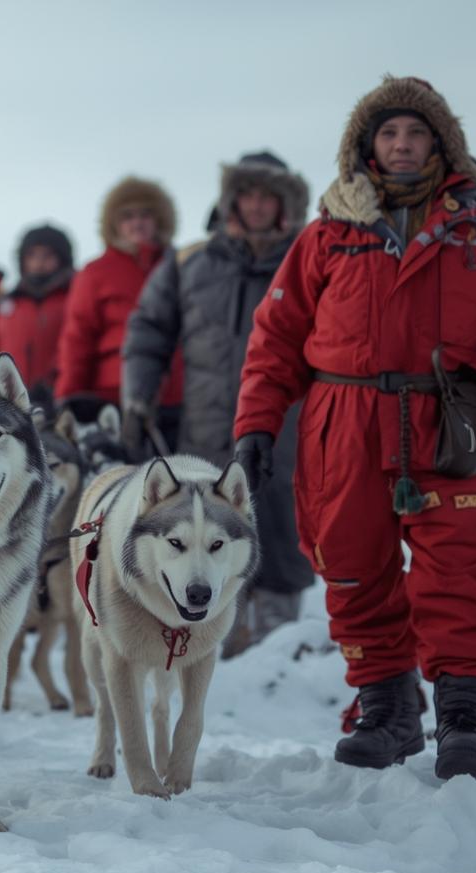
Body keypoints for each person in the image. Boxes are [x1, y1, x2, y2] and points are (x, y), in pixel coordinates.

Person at [231, 77, 476, 781]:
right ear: (366, 147)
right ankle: (387, 711)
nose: (403, 145)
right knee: (351, 568)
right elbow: (277, 337)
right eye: (389, 134)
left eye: (416, 134)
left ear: (440, 144)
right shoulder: (327, 233)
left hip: (449, 421)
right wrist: (256, 425)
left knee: (458, 574)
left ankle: (465, 720)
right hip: (340, 422)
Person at [121, 152, 316, 656]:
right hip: (206, 429)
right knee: (203, 534)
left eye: (267, 196)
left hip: (289, 426)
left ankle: (279, 651)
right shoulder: (190, 262)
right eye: (246, 194)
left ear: (286, 203)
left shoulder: (312, 258)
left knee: (280, 525)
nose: (255, 206)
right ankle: (209, 647)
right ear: (231, 199)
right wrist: (137, 398)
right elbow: (148, 331)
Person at [55, 177, 182, 431]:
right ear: (114, 224)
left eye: (146, 214)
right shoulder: (95, 273)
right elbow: (78, 338)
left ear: (160, 219)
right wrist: (69, 397)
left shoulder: (181, 266)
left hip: (179, 396)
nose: (137, 222)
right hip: (114, 397)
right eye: (127, 216)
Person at [0, 223, 75, 402]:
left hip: (62, 399)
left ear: (62, 259)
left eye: (47, 255)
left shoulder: (74, 299)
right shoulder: (4, 303)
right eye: (32, 255)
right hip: (7, 403)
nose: (39, 262)